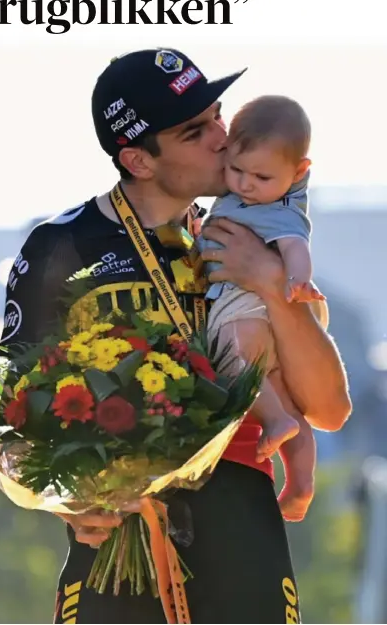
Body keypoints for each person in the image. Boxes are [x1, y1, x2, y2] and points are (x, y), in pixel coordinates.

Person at [0, 48, 351, 624]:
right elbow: (11, 415)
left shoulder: (254, 235)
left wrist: (266, 281)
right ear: (138, 159)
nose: (222, 137)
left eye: (217, 115)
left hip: (242, 531)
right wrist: (66, 502)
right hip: (115, 539)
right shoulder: (61, 247)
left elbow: (330, 409)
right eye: (195, 130)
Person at [196, 95, 325, 522]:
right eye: (236, 170)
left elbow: (295, 245)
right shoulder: (259, 194)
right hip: (262, 313)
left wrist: (297, 279)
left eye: (261, 176)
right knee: (286, 400)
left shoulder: (281, 209)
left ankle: (274, 421)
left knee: (230, 359)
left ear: (299, 171)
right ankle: (302, 482)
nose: (246, 184)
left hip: (249, 306)